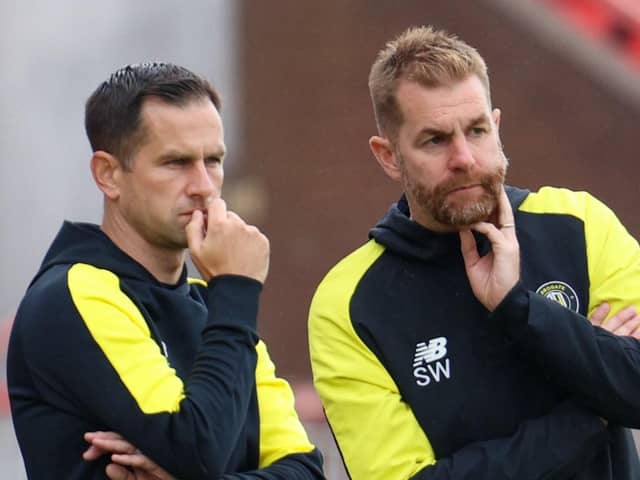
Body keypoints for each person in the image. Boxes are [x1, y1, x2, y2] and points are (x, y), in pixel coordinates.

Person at [308, 26, 640, 479]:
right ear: (388, 156)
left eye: (477, 130)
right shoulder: (347, 305)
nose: (464, 157)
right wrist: (591, 413)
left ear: (496, 127)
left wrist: (519, 309)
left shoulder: (580, 224)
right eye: (435, 140)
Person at [7, 62, 324, 479]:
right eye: (176, 163)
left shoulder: (217, 305)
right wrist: (236, 287)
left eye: (213, 160)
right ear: (109, 175)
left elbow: (306, 469)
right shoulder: (75, 292)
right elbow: (199, 448)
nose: (204, 186)